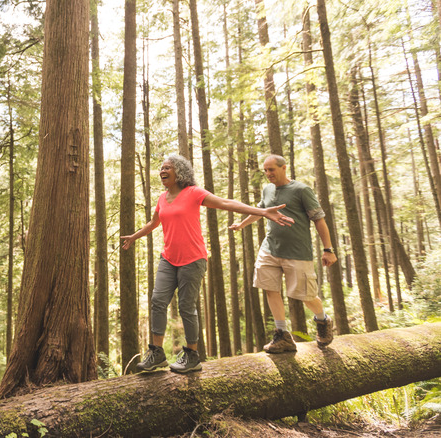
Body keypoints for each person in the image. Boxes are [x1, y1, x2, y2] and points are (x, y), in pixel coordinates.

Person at [120, 154, 294, 373]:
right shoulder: (162, 198)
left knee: (185, 306)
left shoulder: (193, 193)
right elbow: (154, 222)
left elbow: (225, 203)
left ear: (180, 171)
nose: (162, 171)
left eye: (167, 168)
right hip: (169, 258)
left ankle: (192, 355)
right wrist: (134, 236)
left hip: (193, 259)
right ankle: (156, 352)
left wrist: (261, 212)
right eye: (161, 168)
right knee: (157, 301)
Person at [230, 154, 337, 353]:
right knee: (270, 288)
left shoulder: (301, 190)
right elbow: (261, 211)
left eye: (272, 169)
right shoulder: (267, 189)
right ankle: (283, 334)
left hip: (297, 252)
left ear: (283, 168)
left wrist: (328, 250)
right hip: (270, 248)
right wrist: (242, 224)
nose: (268, 174)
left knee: (306, 295)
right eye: (265, 170)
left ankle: (322, 320)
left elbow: (319, 219)